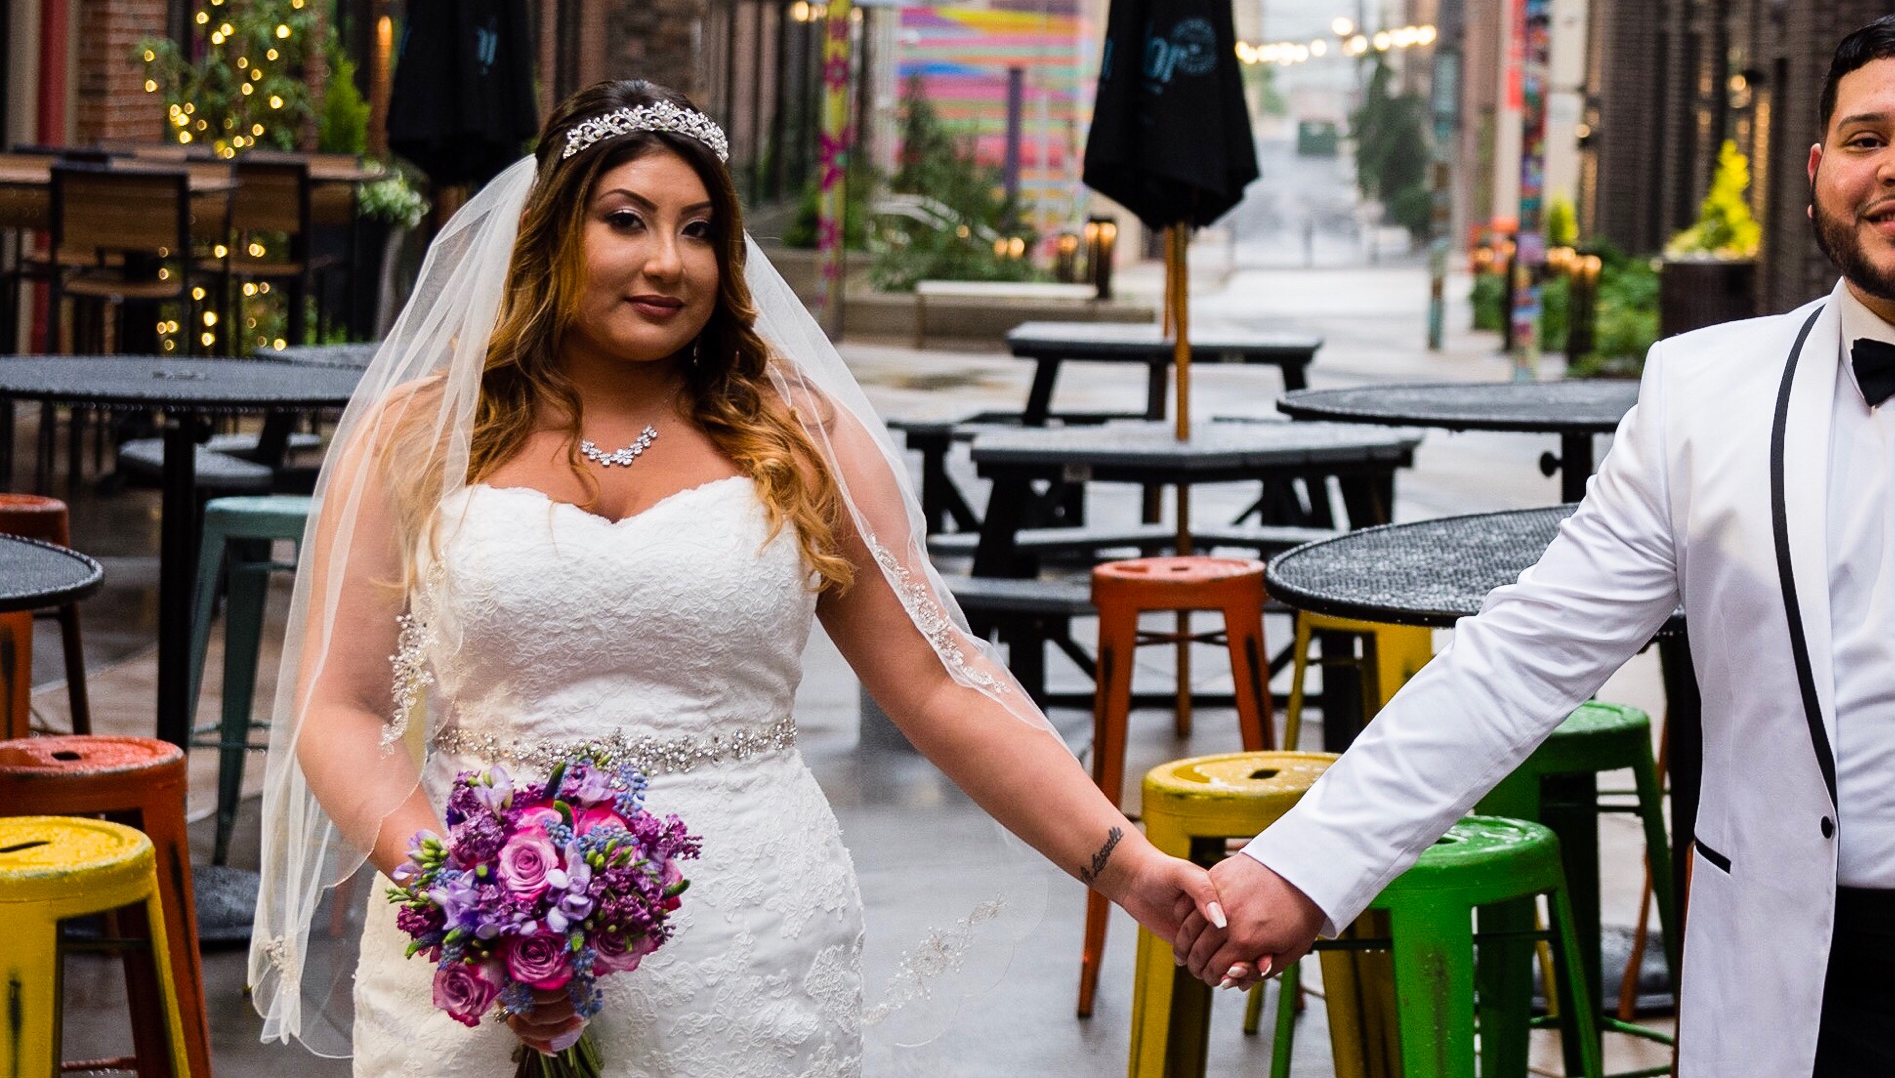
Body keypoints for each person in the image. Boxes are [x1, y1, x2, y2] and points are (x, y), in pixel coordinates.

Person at [1181, 14, 1895, 1077]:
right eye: (1866, 137)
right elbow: (1520, 658)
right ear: (1817, 177)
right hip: (1804, 1001)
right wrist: (1309, 865)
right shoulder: (1702, 394)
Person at [252, 80, 1222, 1073]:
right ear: (548, 233)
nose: (668, 261)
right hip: (466, 962)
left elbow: (940, 682)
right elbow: (342, 708)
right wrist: (465, 897)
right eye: (625, 221)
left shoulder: (796, 438)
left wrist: (1128, 864)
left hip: (746, 946)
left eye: (701, 228)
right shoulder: (421, 434)